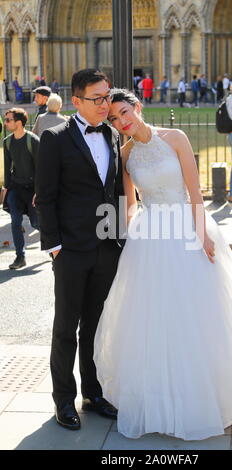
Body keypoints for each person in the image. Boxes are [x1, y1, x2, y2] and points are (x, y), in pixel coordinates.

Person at [93, 88, 232, 441]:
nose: (122, 122)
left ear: (138, 107)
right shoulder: (126, 154)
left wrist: (203, 235)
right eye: (115, 119)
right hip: (150, 237)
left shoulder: (176, 137)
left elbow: (196, 193)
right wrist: (129, 233)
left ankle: (215, 395)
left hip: (185, 226)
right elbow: (131, 203)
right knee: (153, 316)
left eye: (125, 113)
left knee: (200, 311)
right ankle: (159, 396)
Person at [35, 69, 124, 431]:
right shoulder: (54, 139)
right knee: (65, 328)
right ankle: (63, 400)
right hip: (70, 250)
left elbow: (115, 191)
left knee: (95, 326)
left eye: (108, 97)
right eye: (98, 99)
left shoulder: (114, 135)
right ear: (77, 101)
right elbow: (47, 197)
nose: (106, 105)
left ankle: (93, 392)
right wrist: (55, 247)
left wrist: (118, 240)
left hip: (107, 248)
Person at [2, 108, 40, 269]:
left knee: (37, 224)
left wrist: (39, 191)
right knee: (15, 222)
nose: (6, 123)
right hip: (16, 189)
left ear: (18, 122)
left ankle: (54, 250)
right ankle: (20, 257)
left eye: (8, 120)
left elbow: (41, 168)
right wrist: (6, 190)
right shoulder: (7, 142)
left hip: (32, 189)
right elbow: (7, 168)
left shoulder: (33, 140)